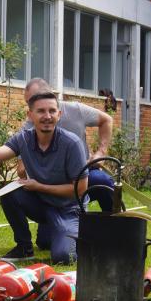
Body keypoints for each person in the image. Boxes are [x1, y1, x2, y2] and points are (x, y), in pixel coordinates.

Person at [0, 91, 89, 264]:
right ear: (30, 115)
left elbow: (80, 189)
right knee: (9, 193)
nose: (47, 116)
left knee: (64, 257)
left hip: (69, 209)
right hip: (42, 204)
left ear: (59, 114)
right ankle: (24, 248)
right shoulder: (24, 139)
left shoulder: (72, 143)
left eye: (52, 111)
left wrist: (39, 187)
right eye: (41, 111)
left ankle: (76, 232)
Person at [23, 79, 115, 213]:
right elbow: (21, 168)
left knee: (103, 181)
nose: (30, 106)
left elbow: (106, 120)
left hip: (83, 175)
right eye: (28, 103)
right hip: (51, 183)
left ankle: (115, 222)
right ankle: (52, 221)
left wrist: (101, 152)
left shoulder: (75, 110)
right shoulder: (29, 126)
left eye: (33, 100)